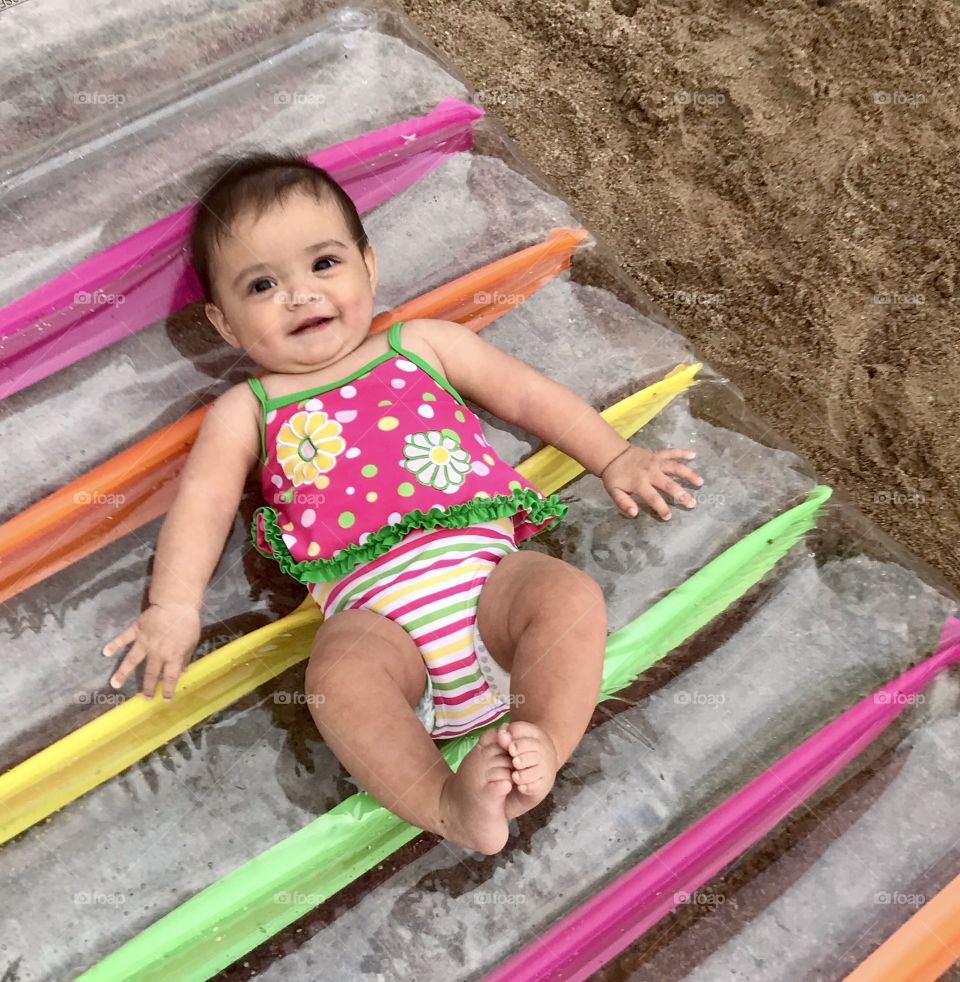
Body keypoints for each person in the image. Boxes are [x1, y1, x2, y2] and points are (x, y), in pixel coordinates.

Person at [101, 152, 703, 855]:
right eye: (262, 284)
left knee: (566, 597)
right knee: (336, 681)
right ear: (227, 325)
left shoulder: (421, 345)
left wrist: (612, 455)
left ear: (368, 266)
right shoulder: (247, 409)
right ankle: (447, 804)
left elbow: (526, 394)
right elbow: (201, 504)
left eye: (323, 264)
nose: (300, 295)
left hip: (488, 586)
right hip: (375, 620)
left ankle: (538, 742)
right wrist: (174, 606)